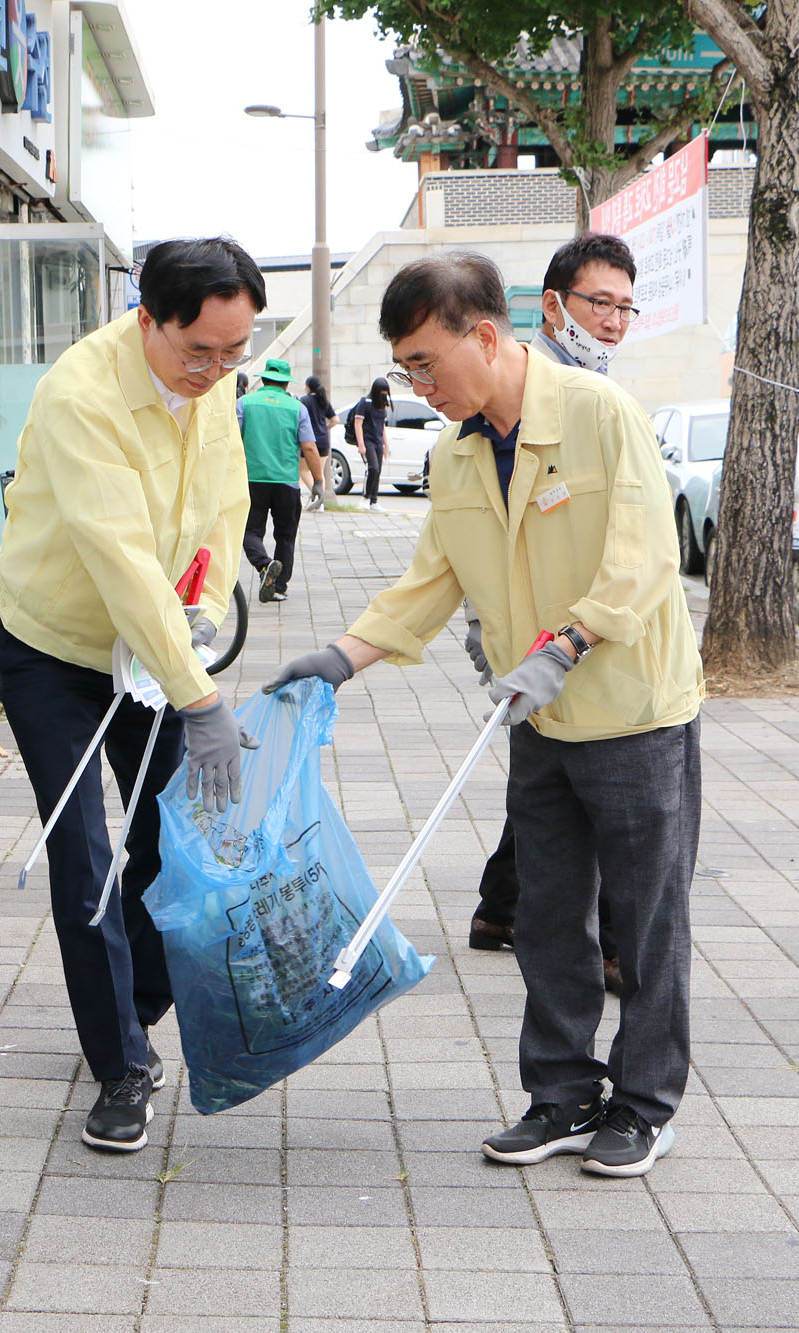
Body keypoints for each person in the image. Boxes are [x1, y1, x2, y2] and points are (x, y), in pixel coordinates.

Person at [267, 250, 701, 1179]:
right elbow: (432, 580)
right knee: (546, 915)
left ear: (488, 335)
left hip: (632, 711)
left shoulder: (597, 413)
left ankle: (645, 1104)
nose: (419, 385)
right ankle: (562, 1093)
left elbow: (642, 558)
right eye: (405, 368)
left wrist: (570, 643)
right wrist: (341, 658)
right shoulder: (459, 450)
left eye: (427, 362)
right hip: (535, 718)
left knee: (646, 915)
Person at [0, 236, 263, 1153]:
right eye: (198, 353)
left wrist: (208, 611)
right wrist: (201, 697)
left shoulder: (213, 382)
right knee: (84, 852)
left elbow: (226, 505)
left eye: (235, 354)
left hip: (156, 644)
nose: (216, 372)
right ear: (146, 318)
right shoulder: (81, 394)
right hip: (54, 642)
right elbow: (119, 559)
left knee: (160, 833)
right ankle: (121, 1064)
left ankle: (137, 1001)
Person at [467, 233, 640, 996]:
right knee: (578, 802)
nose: (613, 321)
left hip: (586, 643)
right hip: (542, 644)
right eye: (599, 302)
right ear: (552, 305)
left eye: (627, 307)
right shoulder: (529, 394)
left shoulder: (601, 400)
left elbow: (643, 552)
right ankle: (588, 944)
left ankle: (503, 908)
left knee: (559, 797)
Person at [237, 357, 316, 603]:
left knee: (249, 532)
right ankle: (279, 586)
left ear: (264, 379)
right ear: (285, 383)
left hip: (252, 480)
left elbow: (231, 440)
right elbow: (309, 448)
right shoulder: (297, 408)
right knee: (286, 535)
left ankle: (264, 564)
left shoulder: (244, 403)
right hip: (286, 482)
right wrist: (319, 481)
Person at [347, 377, 391, 509]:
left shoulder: (382, 404)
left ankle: (374, 501)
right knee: (373, 468)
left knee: (378, 471)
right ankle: (365, 498)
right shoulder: (365, 402)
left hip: (378, 441)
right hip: (367, 441)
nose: (383, 394)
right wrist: (361, 444)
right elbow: (358, 423)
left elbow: (382, 426)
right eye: (381, 391)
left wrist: (386, 444)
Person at [300, 373, 337, 510]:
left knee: (303, 470)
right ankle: (319, 501)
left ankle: (317, 496)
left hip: (309, 440)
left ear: (308, 387)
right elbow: (335, 420)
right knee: (319, 472)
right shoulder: (324, 401)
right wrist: (326, 428)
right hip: (323, 440)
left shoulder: (304, 400)